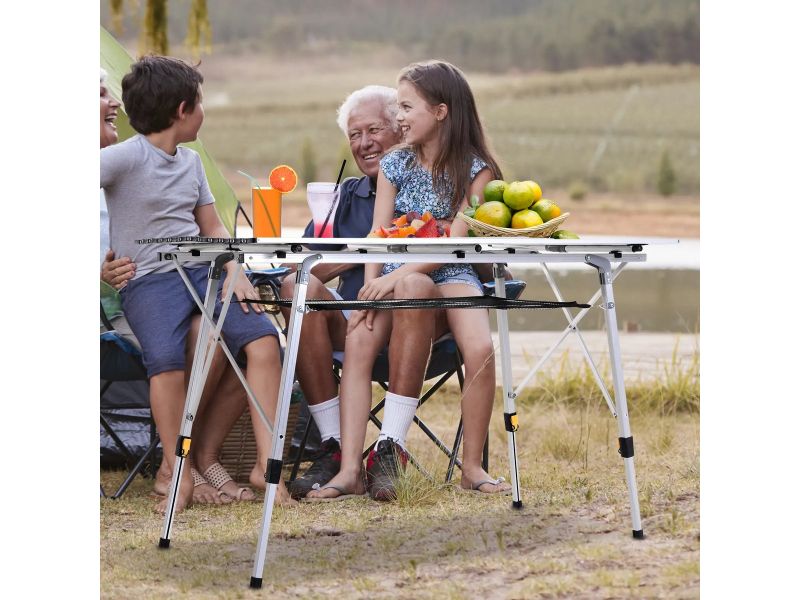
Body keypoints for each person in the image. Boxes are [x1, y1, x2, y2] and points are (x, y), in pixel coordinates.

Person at [308, 60, 512, 501]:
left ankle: (472, 467)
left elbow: (454, 245)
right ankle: (348, 470)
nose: (399, 118)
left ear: (440, 111)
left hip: (450, 270)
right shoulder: (396, 165)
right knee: (360, 338)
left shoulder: (477, 170)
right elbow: (378, 237)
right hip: (393, 272)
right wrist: (369, 285)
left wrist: (398, 274)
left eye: (406, 107)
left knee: (480, 348)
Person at [100, 56, 293, 512]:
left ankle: (269, 471)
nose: (204, 110)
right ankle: (178, 468)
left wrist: (235, 270)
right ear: (184, 109)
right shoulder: (125, 157)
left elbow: (212, 228)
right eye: (201, 102)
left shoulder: (190, 163)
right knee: (166, 361)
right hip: (149, 280)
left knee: (265, 342)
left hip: (205, 273)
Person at [280, 85, 408, 499]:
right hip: (351, 323)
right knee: (295, 288)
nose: (364, 143)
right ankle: (333, 446)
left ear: (401, 130)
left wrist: (369, 250)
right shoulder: (344, 196)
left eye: (374, 130)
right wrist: (362, 251)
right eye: (355, 134)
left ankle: (390, 450)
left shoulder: (426, 187)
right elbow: (299, 266)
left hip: (413, 325)